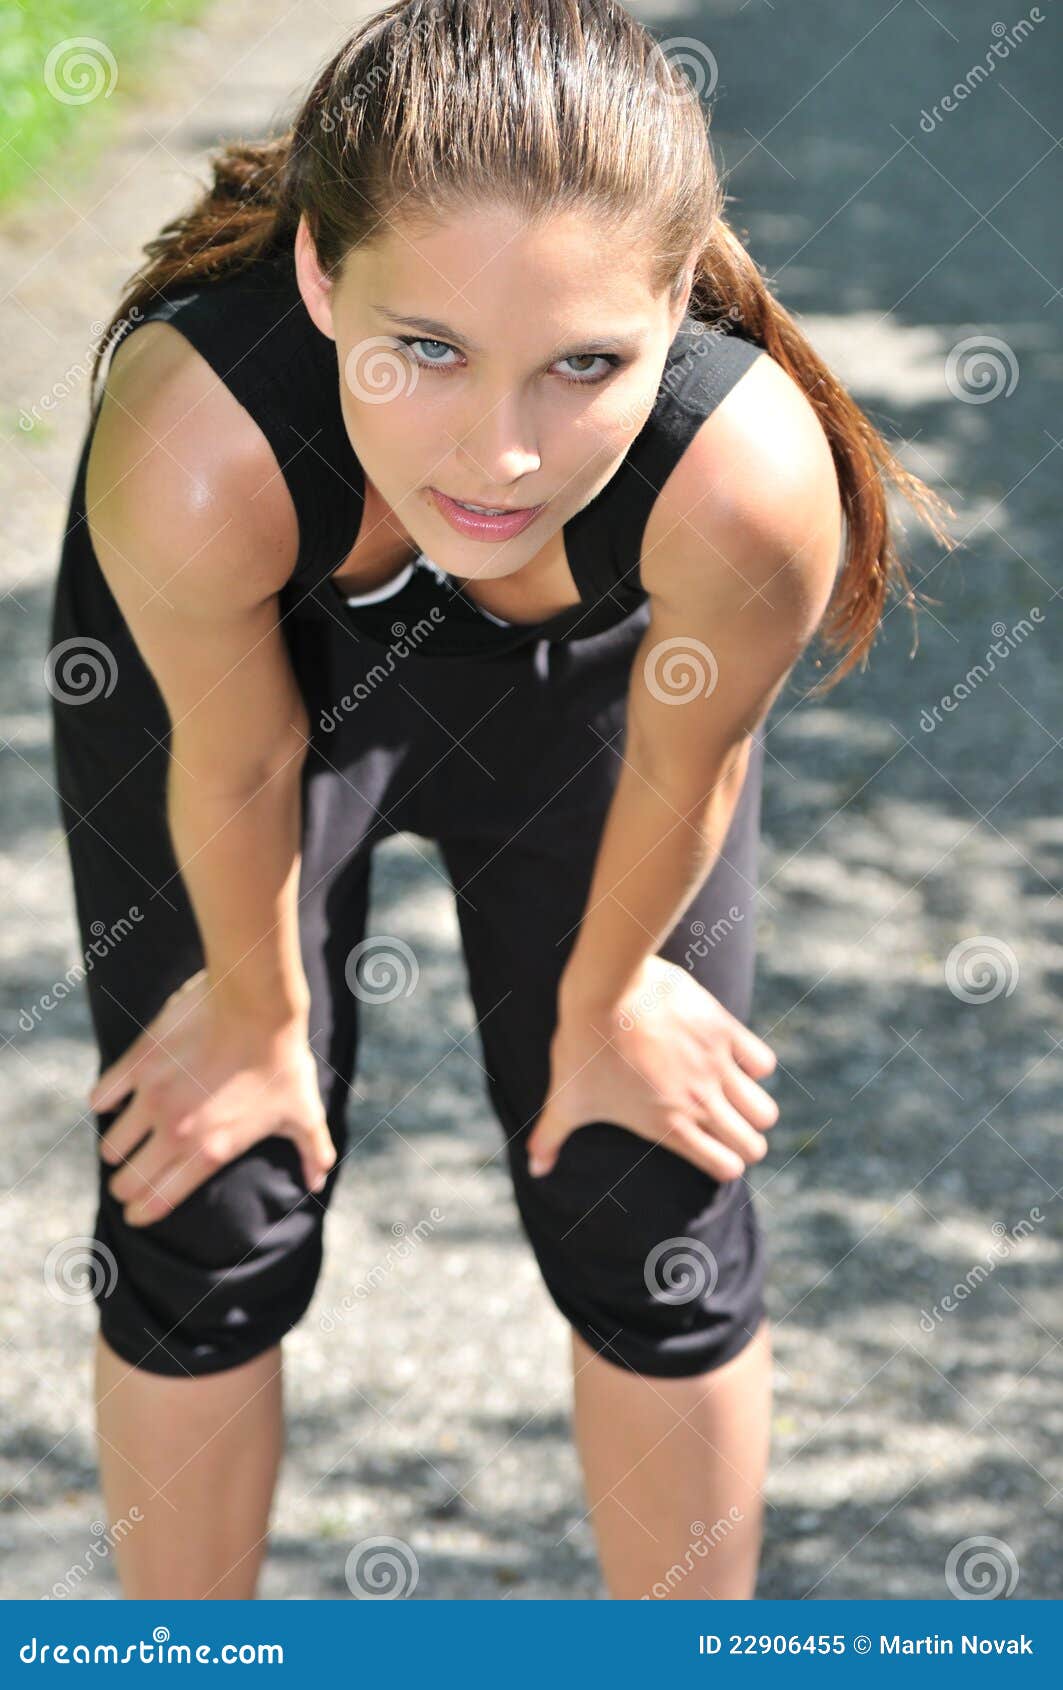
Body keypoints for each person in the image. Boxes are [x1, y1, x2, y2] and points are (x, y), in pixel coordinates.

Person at [48, 0, 954, 1601]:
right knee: (209, 1178)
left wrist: (606, 1004)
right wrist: (258, 1019)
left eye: (586, 364)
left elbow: (699, 760)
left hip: (587, 710)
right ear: (325, 273)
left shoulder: (746, 486)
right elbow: (245, 755)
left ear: (676, 302)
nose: (501, 453)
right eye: (429, 350)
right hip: (245, 702)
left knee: (649, 1180)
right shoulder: (196, 442)